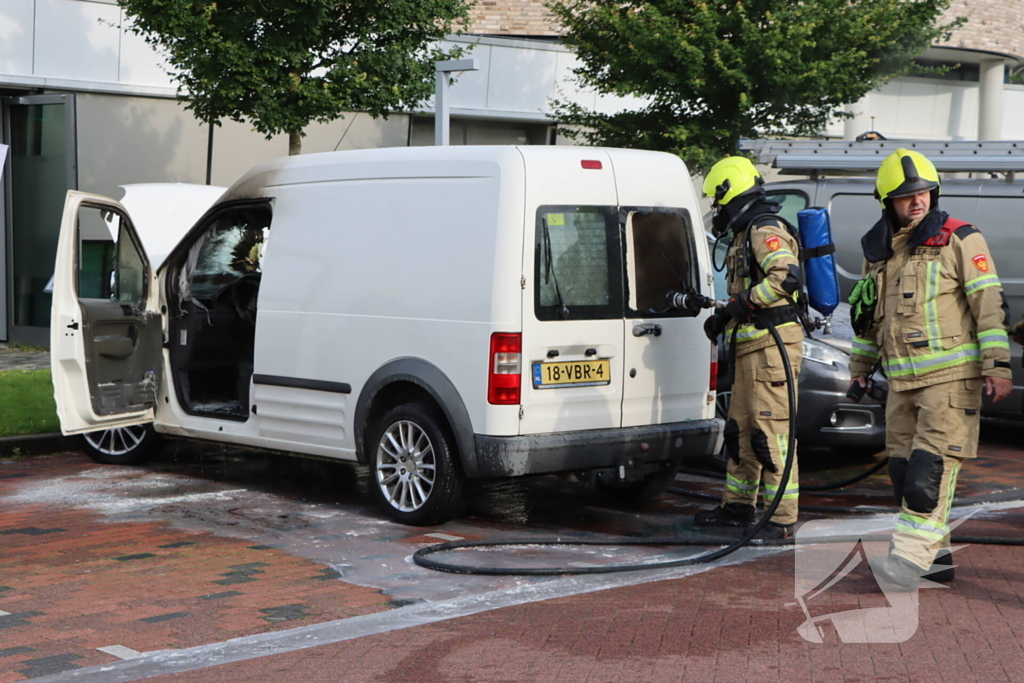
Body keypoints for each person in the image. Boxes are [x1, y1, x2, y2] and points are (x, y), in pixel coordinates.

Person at [848, 148, 1013, 589]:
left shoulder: (960, 237)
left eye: (923, 192)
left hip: (950, 380)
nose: (917, 201)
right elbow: (870, 317)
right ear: (888, 202)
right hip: (902, 382)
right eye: (905, 196)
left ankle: (907, 564)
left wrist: (998, 366)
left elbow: (990, 305)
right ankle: (937, 560)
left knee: (928, 473)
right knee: (903, 475)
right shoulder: (880, 253)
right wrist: (860, 367)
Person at [695, 157, 805, 538]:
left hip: (772, 349)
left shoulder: (764, 227)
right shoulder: (746, 231)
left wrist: (741, 306)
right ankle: (738, 506)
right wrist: (727, 315)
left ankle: (780, 517)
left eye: (719, 202)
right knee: (740, 431)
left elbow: (785, 276)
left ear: (732, 194)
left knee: (770, 433)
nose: (718, 210)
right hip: (752, 346)